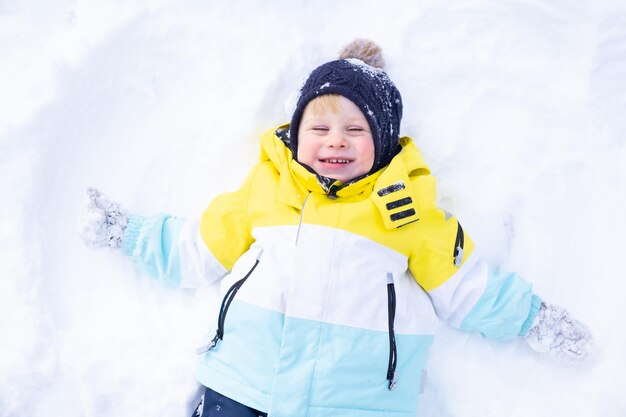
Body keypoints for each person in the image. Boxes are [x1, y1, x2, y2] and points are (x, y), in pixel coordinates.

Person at [80, 39, 593, 417]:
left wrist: (533, 319)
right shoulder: (267, 191)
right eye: (319, 128)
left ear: (385, 143)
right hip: (244, 385)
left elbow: (469, 285)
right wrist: (129, 233)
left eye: (356, 130)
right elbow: (197, 247)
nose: (335, 142)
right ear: (295, 135)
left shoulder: (409, 212)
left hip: (355, 403)